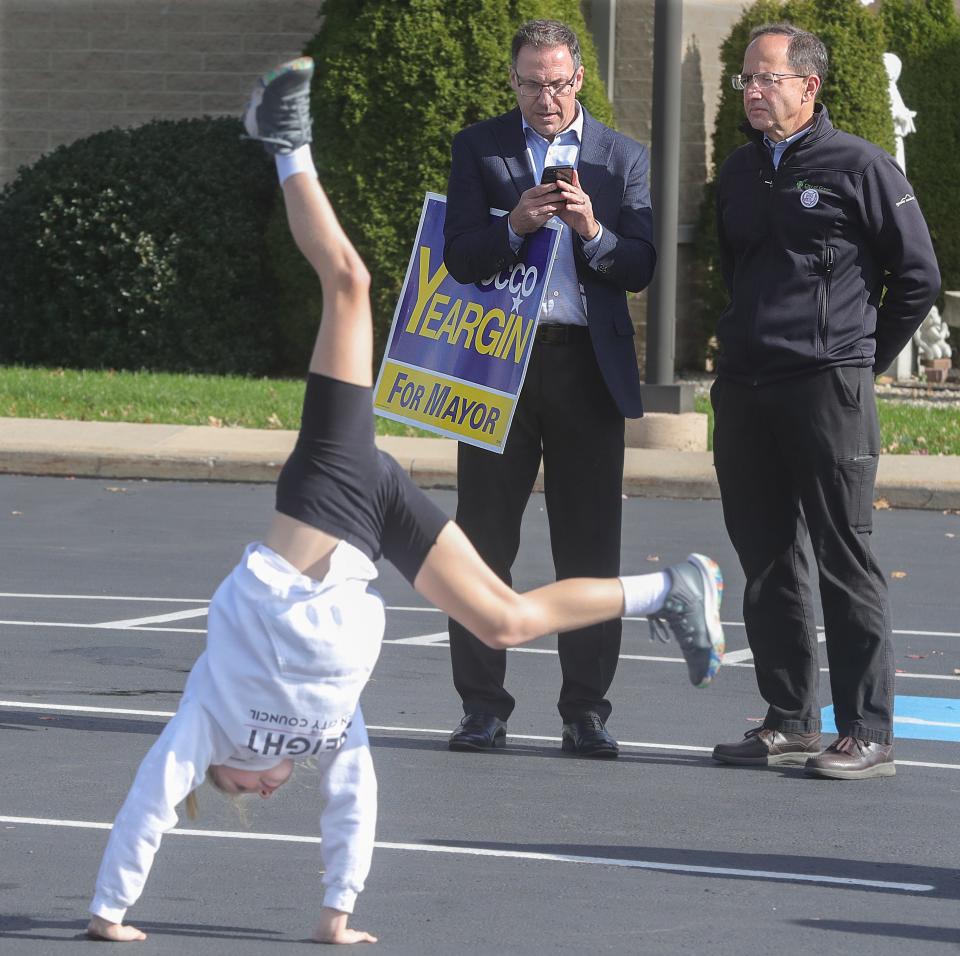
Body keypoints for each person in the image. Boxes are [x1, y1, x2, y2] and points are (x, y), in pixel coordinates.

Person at [85, 59, 725, 945]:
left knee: (349, 285)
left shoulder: (212, 718)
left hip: (326, 495)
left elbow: (153, 801)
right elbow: (353, 814)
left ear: (232, 767)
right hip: (377, 516)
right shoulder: (326, 736)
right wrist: (336, 916)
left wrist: (108, 912)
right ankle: (674, 588)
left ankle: (285, 141)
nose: (268, 792)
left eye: (245, 791)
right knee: (501, 618)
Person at [710, 24, 940, 779]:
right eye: (747, 77)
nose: (751, 89)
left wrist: (858, 353)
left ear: (809, 87)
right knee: (767, 558)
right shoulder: (740, 172)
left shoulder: (861, 165)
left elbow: (917, 277)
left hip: (825, 386)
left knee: (844, 557)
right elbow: (734, 268)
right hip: (746, 388)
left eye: (767, 77)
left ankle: (866, 730)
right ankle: (789, 722)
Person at [443, 19, 659, 759]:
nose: (546, 97)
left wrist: (594, 234)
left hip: (586, 370)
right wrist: (515, 226)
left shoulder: (623, 157)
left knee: (590, 548)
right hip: (502, 366)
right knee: (481, 544)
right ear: (513, 81)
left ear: (580, 81)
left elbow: (640, 265)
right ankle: (481, 708)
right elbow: (459, 258)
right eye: (532, 83)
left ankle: (586, 711)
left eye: (559, 83)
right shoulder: (480, 148)